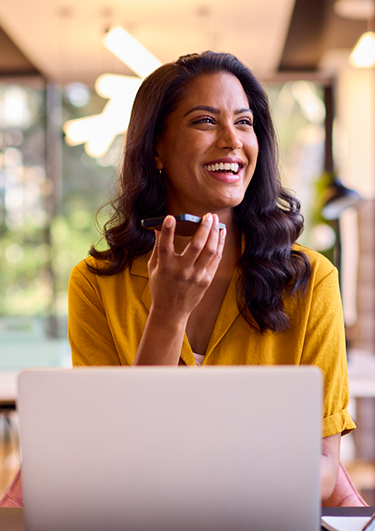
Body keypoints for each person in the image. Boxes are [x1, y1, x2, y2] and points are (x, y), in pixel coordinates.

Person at [1, 51, 357, 507]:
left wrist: (221, 496)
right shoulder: (95, 284)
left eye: (244, 122)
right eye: (205, 121)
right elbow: (120, 459)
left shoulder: (310, 279)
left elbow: (324, 468)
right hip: (141, 525)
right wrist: (168, 314)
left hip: (261, 524)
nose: (232, 140)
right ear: (156, 149)